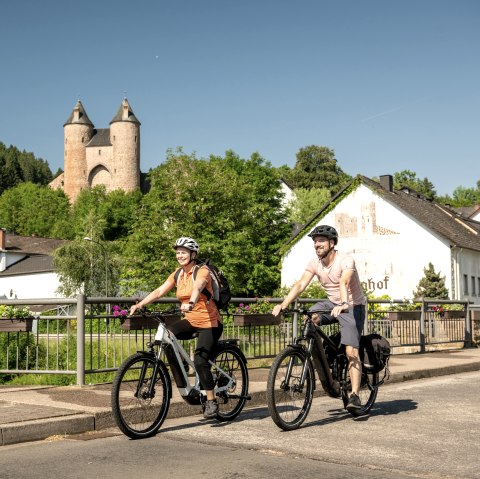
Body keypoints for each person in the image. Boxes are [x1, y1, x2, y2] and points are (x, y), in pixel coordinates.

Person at [272, 225, 366, 411]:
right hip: (332, 303)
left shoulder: (345, 260)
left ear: (332, 243)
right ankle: (323, 355)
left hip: (352, 306)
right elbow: (300, 284)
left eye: (321, 240)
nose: (317, 244)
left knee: (351, 353)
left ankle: (354, 395)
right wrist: (284, 304)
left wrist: (343, 304)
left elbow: (344, 282)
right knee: (310, 317)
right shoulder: (315, 263)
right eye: (315, 241)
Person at [129, 236, 223, 418]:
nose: (180, 256)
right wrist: (140, 305)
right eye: (178, 253)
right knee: (168, 333)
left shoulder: (201, 271)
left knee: (201, 361)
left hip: (209, 323)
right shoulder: (178, 274)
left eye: (184, 252)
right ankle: (184, 373)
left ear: (193, 254)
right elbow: (159, 291)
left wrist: (192, 302)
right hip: (190, 320)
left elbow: (198, 287)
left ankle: (211, 401)